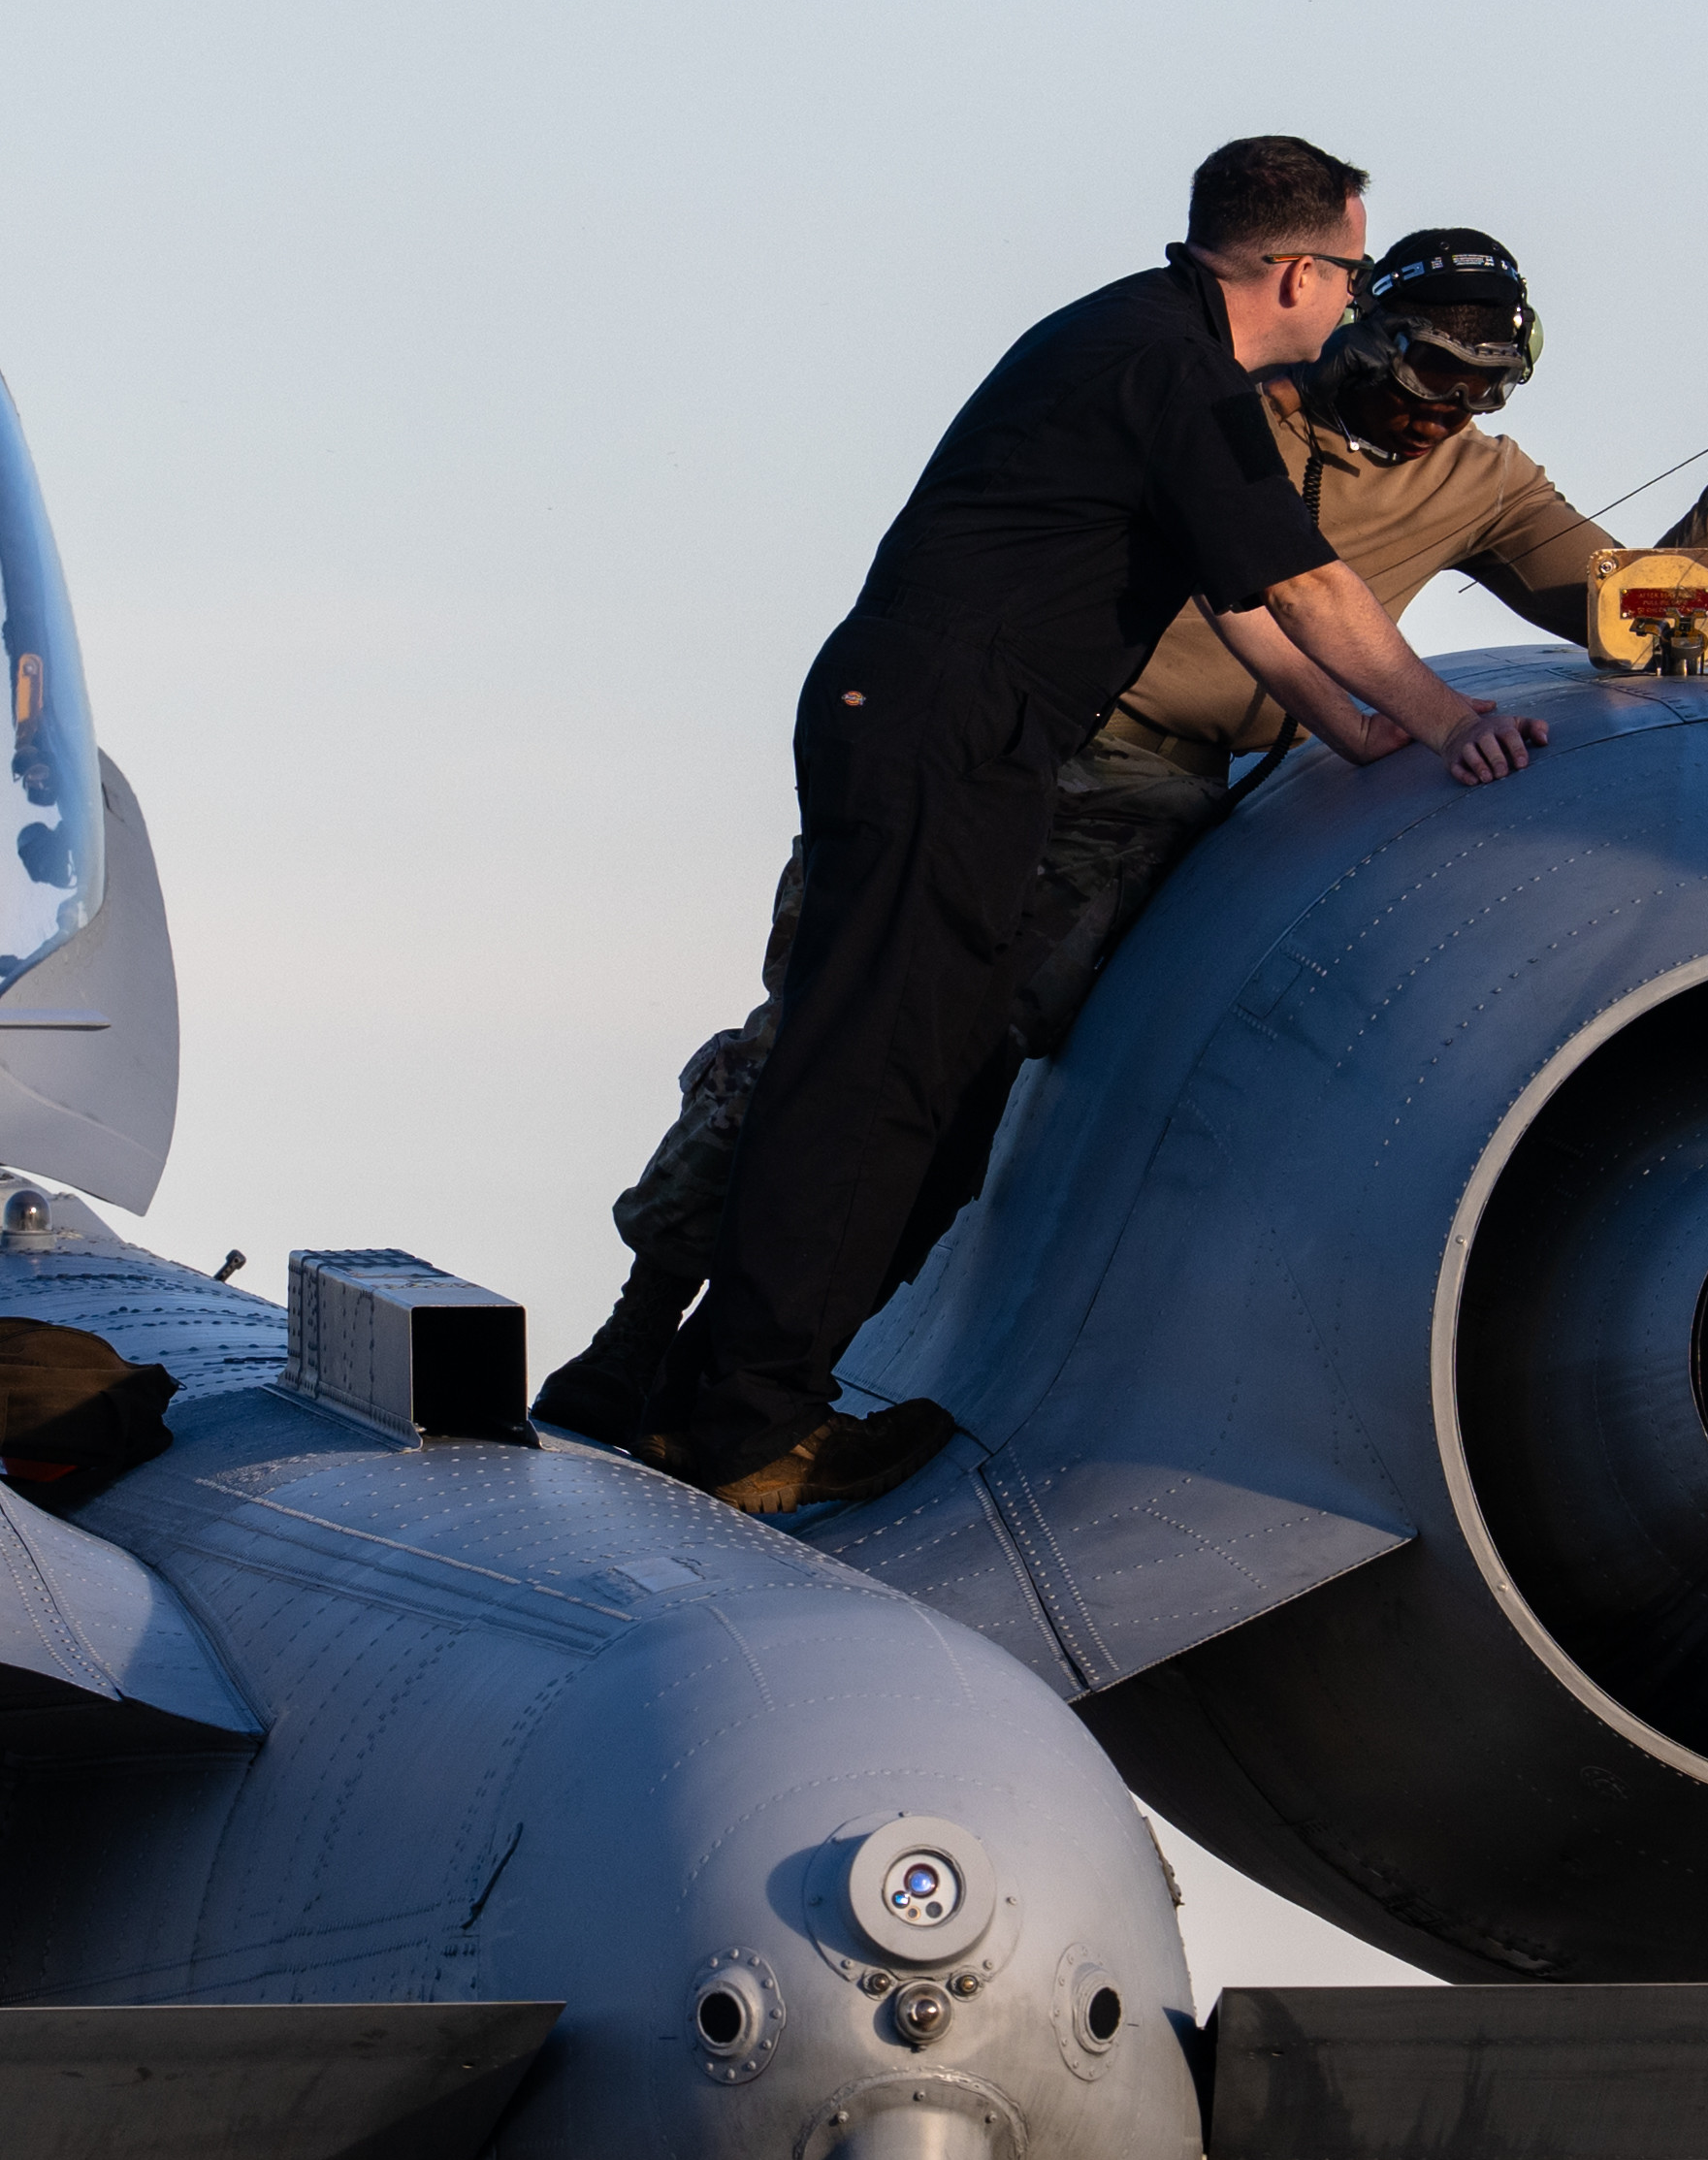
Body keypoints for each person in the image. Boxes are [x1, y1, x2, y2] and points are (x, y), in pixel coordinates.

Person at [546, 225, 1708, 1463]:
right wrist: (1410, 713)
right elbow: (1271, 594)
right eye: (1438, 373)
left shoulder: (1477, 481)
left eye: (1489, 388)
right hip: (1015, 744)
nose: (1453, 411)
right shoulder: (1218, 400)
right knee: (822, 1042)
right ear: (1368, 326)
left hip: (1148, 796)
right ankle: (633, 1340)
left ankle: (737, 1392)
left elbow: (1657, 623)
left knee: (950, 1075)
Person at [629, 141, 1546, 1514]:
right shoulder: (1172, 370)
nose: (1350, 294)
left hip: (954, 723)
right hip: (951, 724)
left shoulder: (1149, 344)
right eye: (1353, 269)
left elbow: (1238, 591)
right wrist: (1441, 717)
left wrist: (1353, 727)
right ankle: (746, 1416)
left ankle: (674, 1396)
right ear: (1300, 269)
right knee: (868, 1071)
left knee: (896, 1064)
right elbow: (1303, 581)